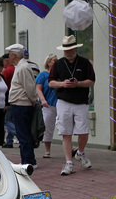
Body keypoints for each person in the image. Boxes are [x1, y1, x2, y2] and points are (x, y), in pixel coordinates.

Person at [49, 35, 96, 176]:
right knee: (66, 133)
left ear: (75, 49)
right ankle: (69, 162)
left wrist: (79, 84)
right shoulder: (58, 64)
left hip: (81, 102)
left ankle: (80, 153)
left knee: (84, 132)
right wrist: (63, 84)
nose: (68, 53)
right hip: (64, 101)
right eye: (66, 50)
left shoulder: (84, 63)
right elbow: (50, 82)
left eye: (70, 50)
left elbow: (92, 81)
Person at [7, 43, 39, 168]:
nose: (9, 57)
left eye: (10, 54)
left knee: (24, 133)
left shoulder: (23, 67)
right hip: (19, 103)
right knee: (22, 133)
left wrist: (33, 99)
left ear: (14, 55)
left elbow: (30, 87)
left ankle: (29, 160)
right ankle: (26, 159)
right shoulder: (21, 67)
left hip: (22, 104)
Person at [35, 54, 59, 158]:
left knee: (63, 125)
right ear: (49, 62)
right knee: (48, 127)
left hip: (59, 104)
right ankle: (47, 150)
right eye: (54, 60)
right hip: (48, 105)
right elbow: (38, 89)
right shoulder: (43, 75)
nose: (56, 62)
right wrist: (43, 100)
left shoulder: (59, 75)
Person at [1, 53, 16, 147]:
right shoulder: (16, 69)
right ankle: (9, 141)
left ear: (6, 60)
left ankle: (19, 134)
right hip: (15, 98)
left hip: (8, 98)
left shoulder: (6, 71)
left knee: (6, 120)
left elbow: (3, 86)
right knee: (12, 120)